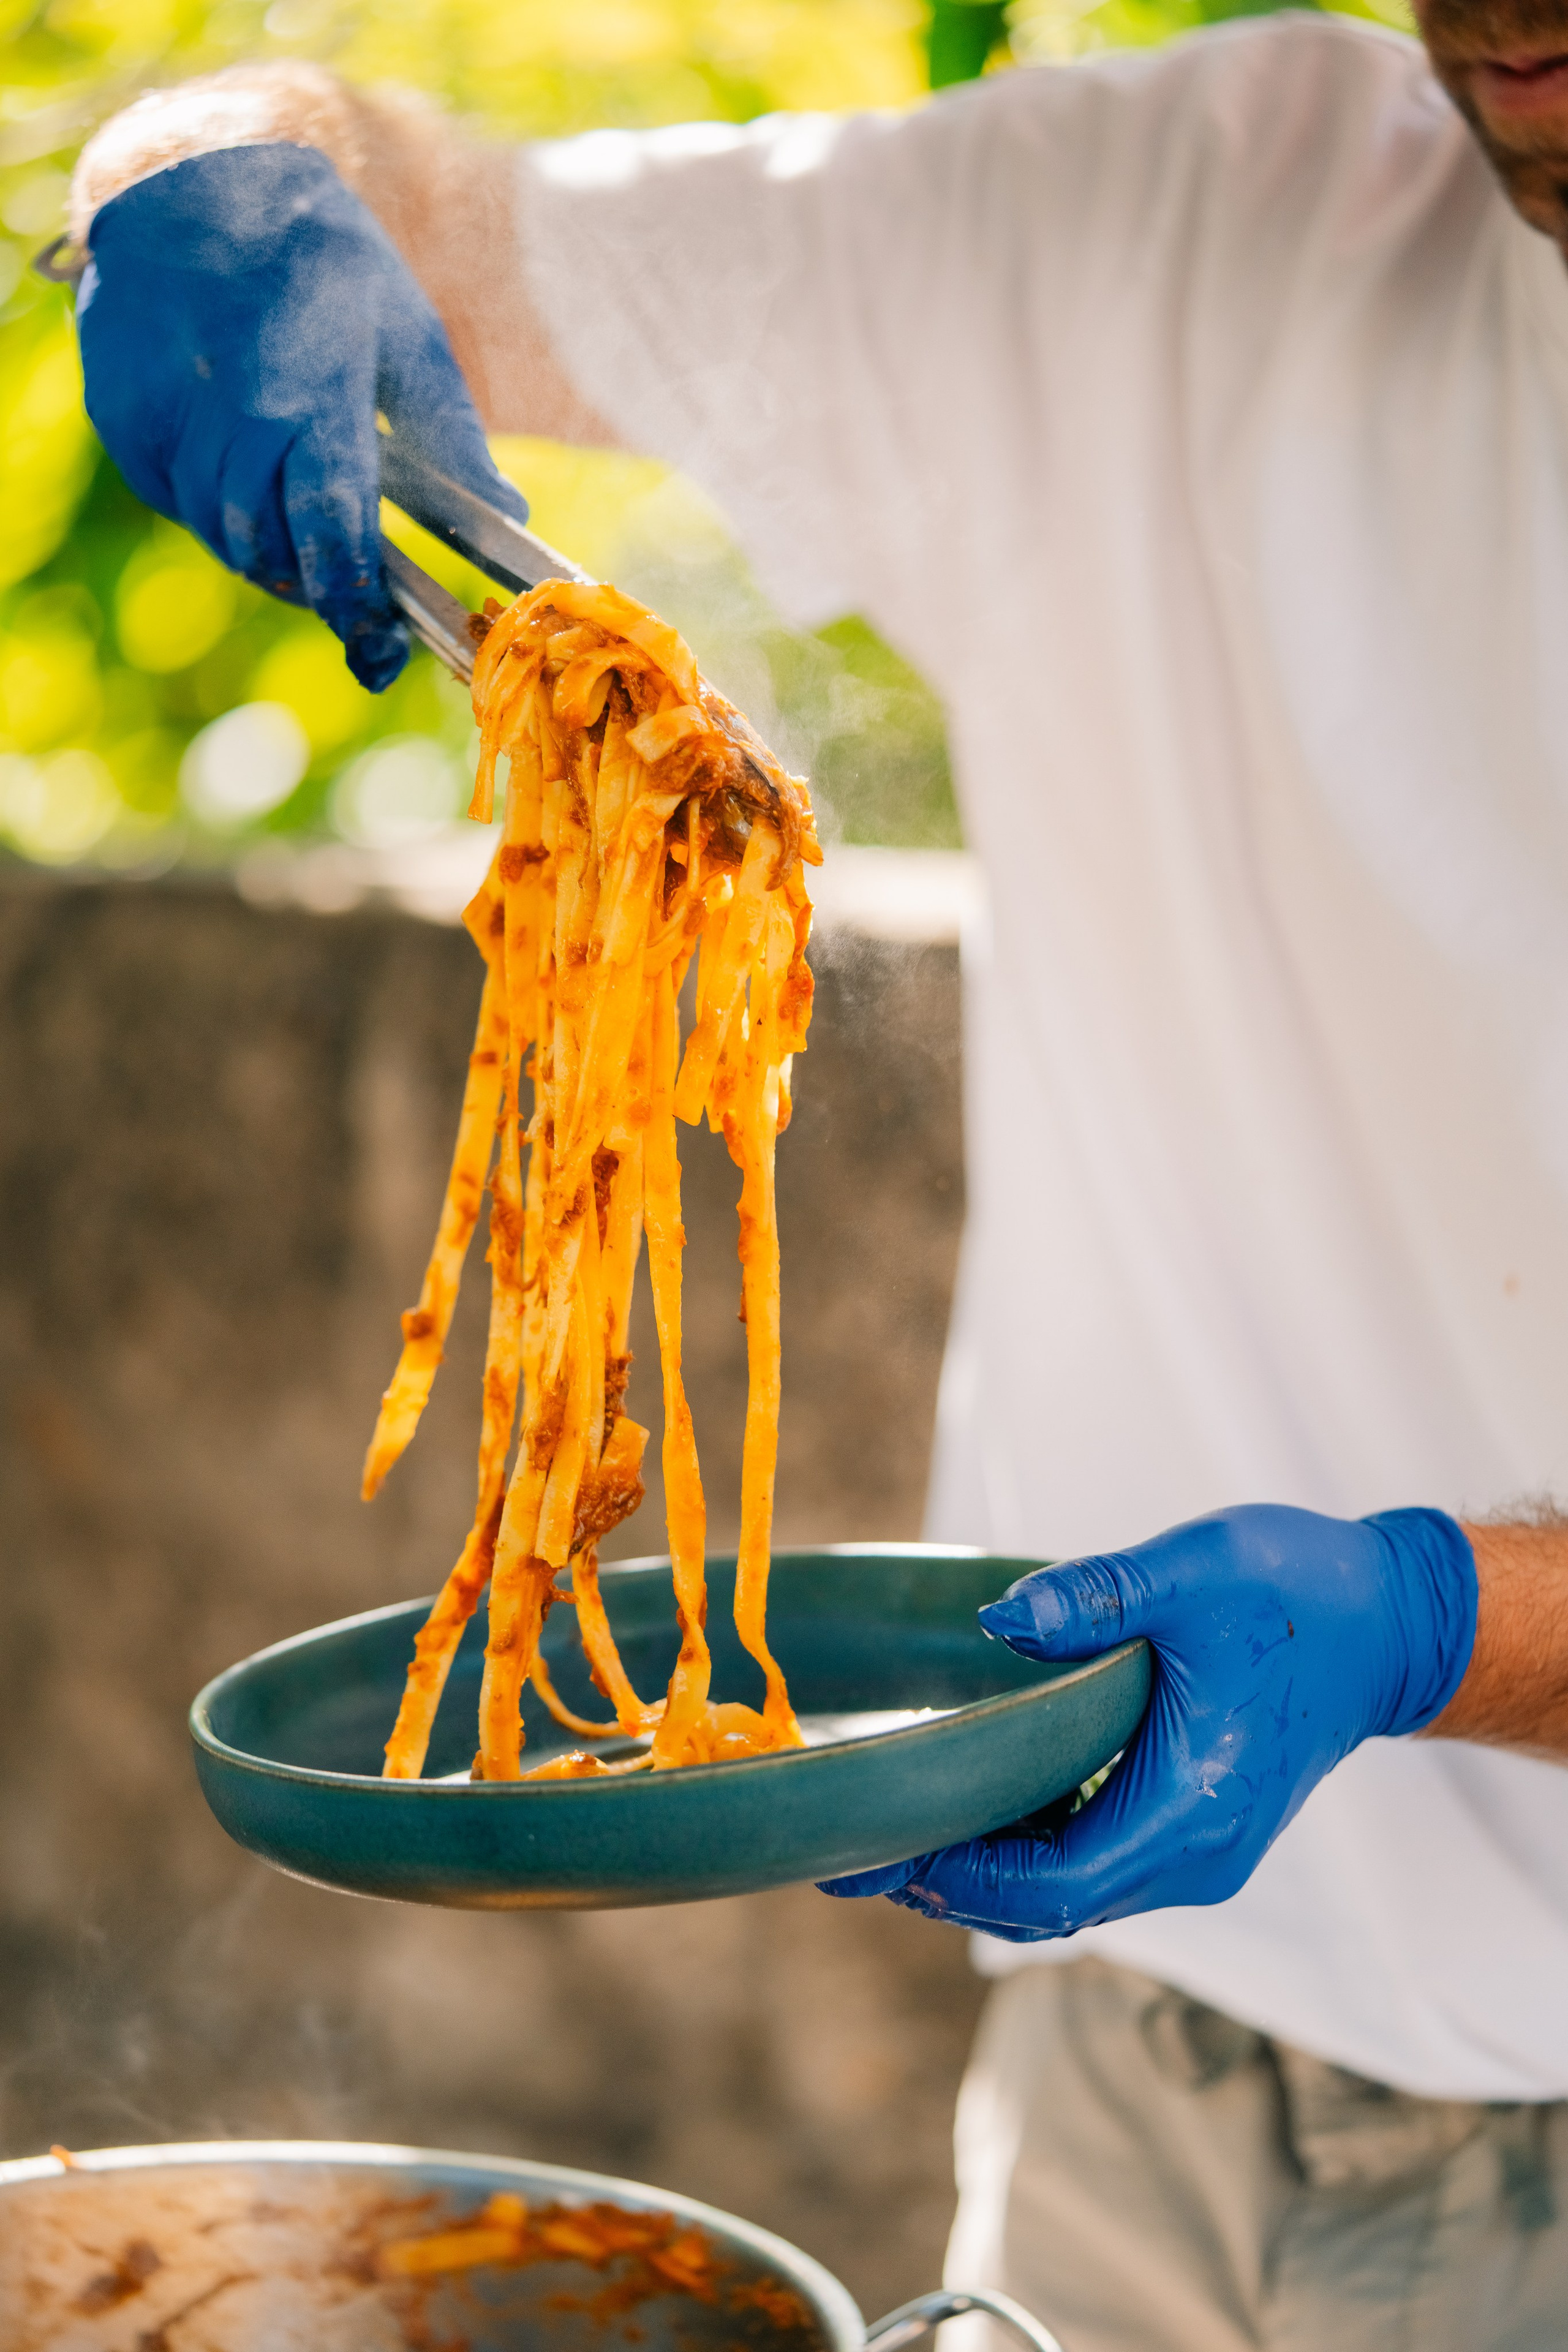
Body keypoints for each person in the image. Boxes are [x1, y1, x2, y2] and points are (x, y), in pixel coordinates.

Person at [62, 6, 1568, 2341]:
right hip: (1133, 2068)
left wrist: (1440, 1621)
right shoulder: (1196, 203)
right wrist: (203, 168)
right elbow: (428, 217)